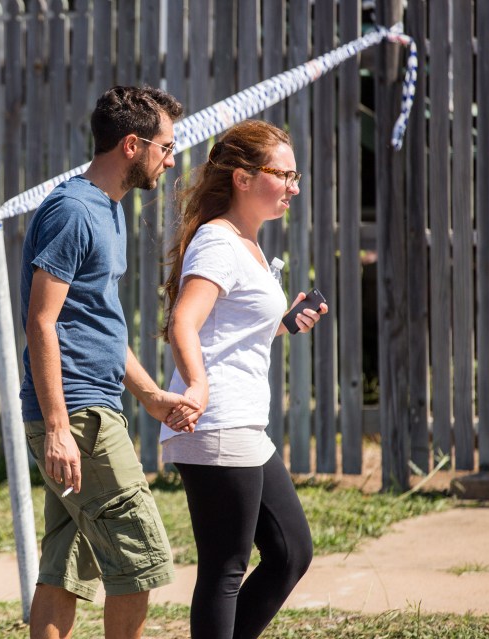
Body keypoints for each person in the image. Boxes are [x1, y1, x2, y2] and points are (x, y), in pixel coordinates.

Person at [19, 85, 200, 639]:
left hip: (90, 410)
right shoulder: (74, 212)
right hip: (77, 417)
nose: (171, 160)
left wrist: (149, 396)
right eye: (165, 148)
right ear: (131, 144)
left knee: (64, 572)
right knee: (138, 562)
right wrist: (57, 429)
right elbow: (41, 322)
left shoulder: (109, 210)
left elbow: (98, 322)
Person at [161, 119, 326, 639]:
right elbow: (183, 323)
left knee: (290, 552)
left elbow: (225, 333)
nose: (295, 187)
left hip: (243, 423)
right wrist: (198, 385)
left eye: (296, 176)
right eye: (285, 175)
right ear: (243, 178)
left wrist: (281, 323)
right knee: (226, 569)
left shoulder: (246, 244)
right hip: (216, 421)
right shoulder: (217, 242)